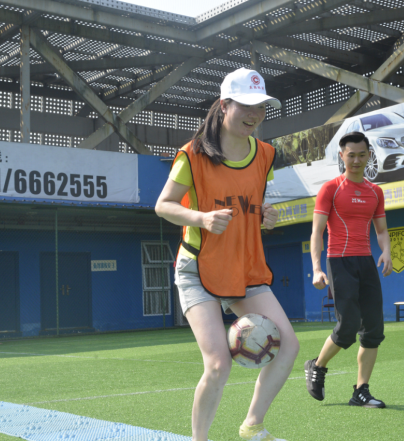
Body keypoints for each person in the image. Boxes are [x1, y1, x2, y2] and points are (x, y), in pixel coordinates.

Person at [155, 68, 299, 441]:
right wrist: (200, 217)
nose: (255, 114)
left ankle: (252, 426)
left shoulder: (265, 154)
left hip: (245, 268)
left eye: (261, 107)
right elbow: (164, 205)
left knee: (288, 345)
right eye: (246, 106)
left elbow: (254, 203)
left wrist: (266, 215)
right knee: (219, 364)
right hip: (198, 269)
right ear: (224, 105)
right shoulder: (192, 154)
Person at [305, 131, 393, 408]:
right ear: (341, 156)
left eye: (361, 155)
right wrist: (316, 268)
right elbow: (317, 232)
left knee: (374, 329)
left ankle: (361, 391)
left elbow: (381, 231)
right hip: (339, 261)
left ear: (369, 156)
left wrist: (386, 251)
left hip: (366, 262)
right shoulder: (331, 189)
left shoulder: (375, 191)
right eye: (351, 155)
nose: (356, 160)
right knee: (348, 326)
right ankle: (317, 366)